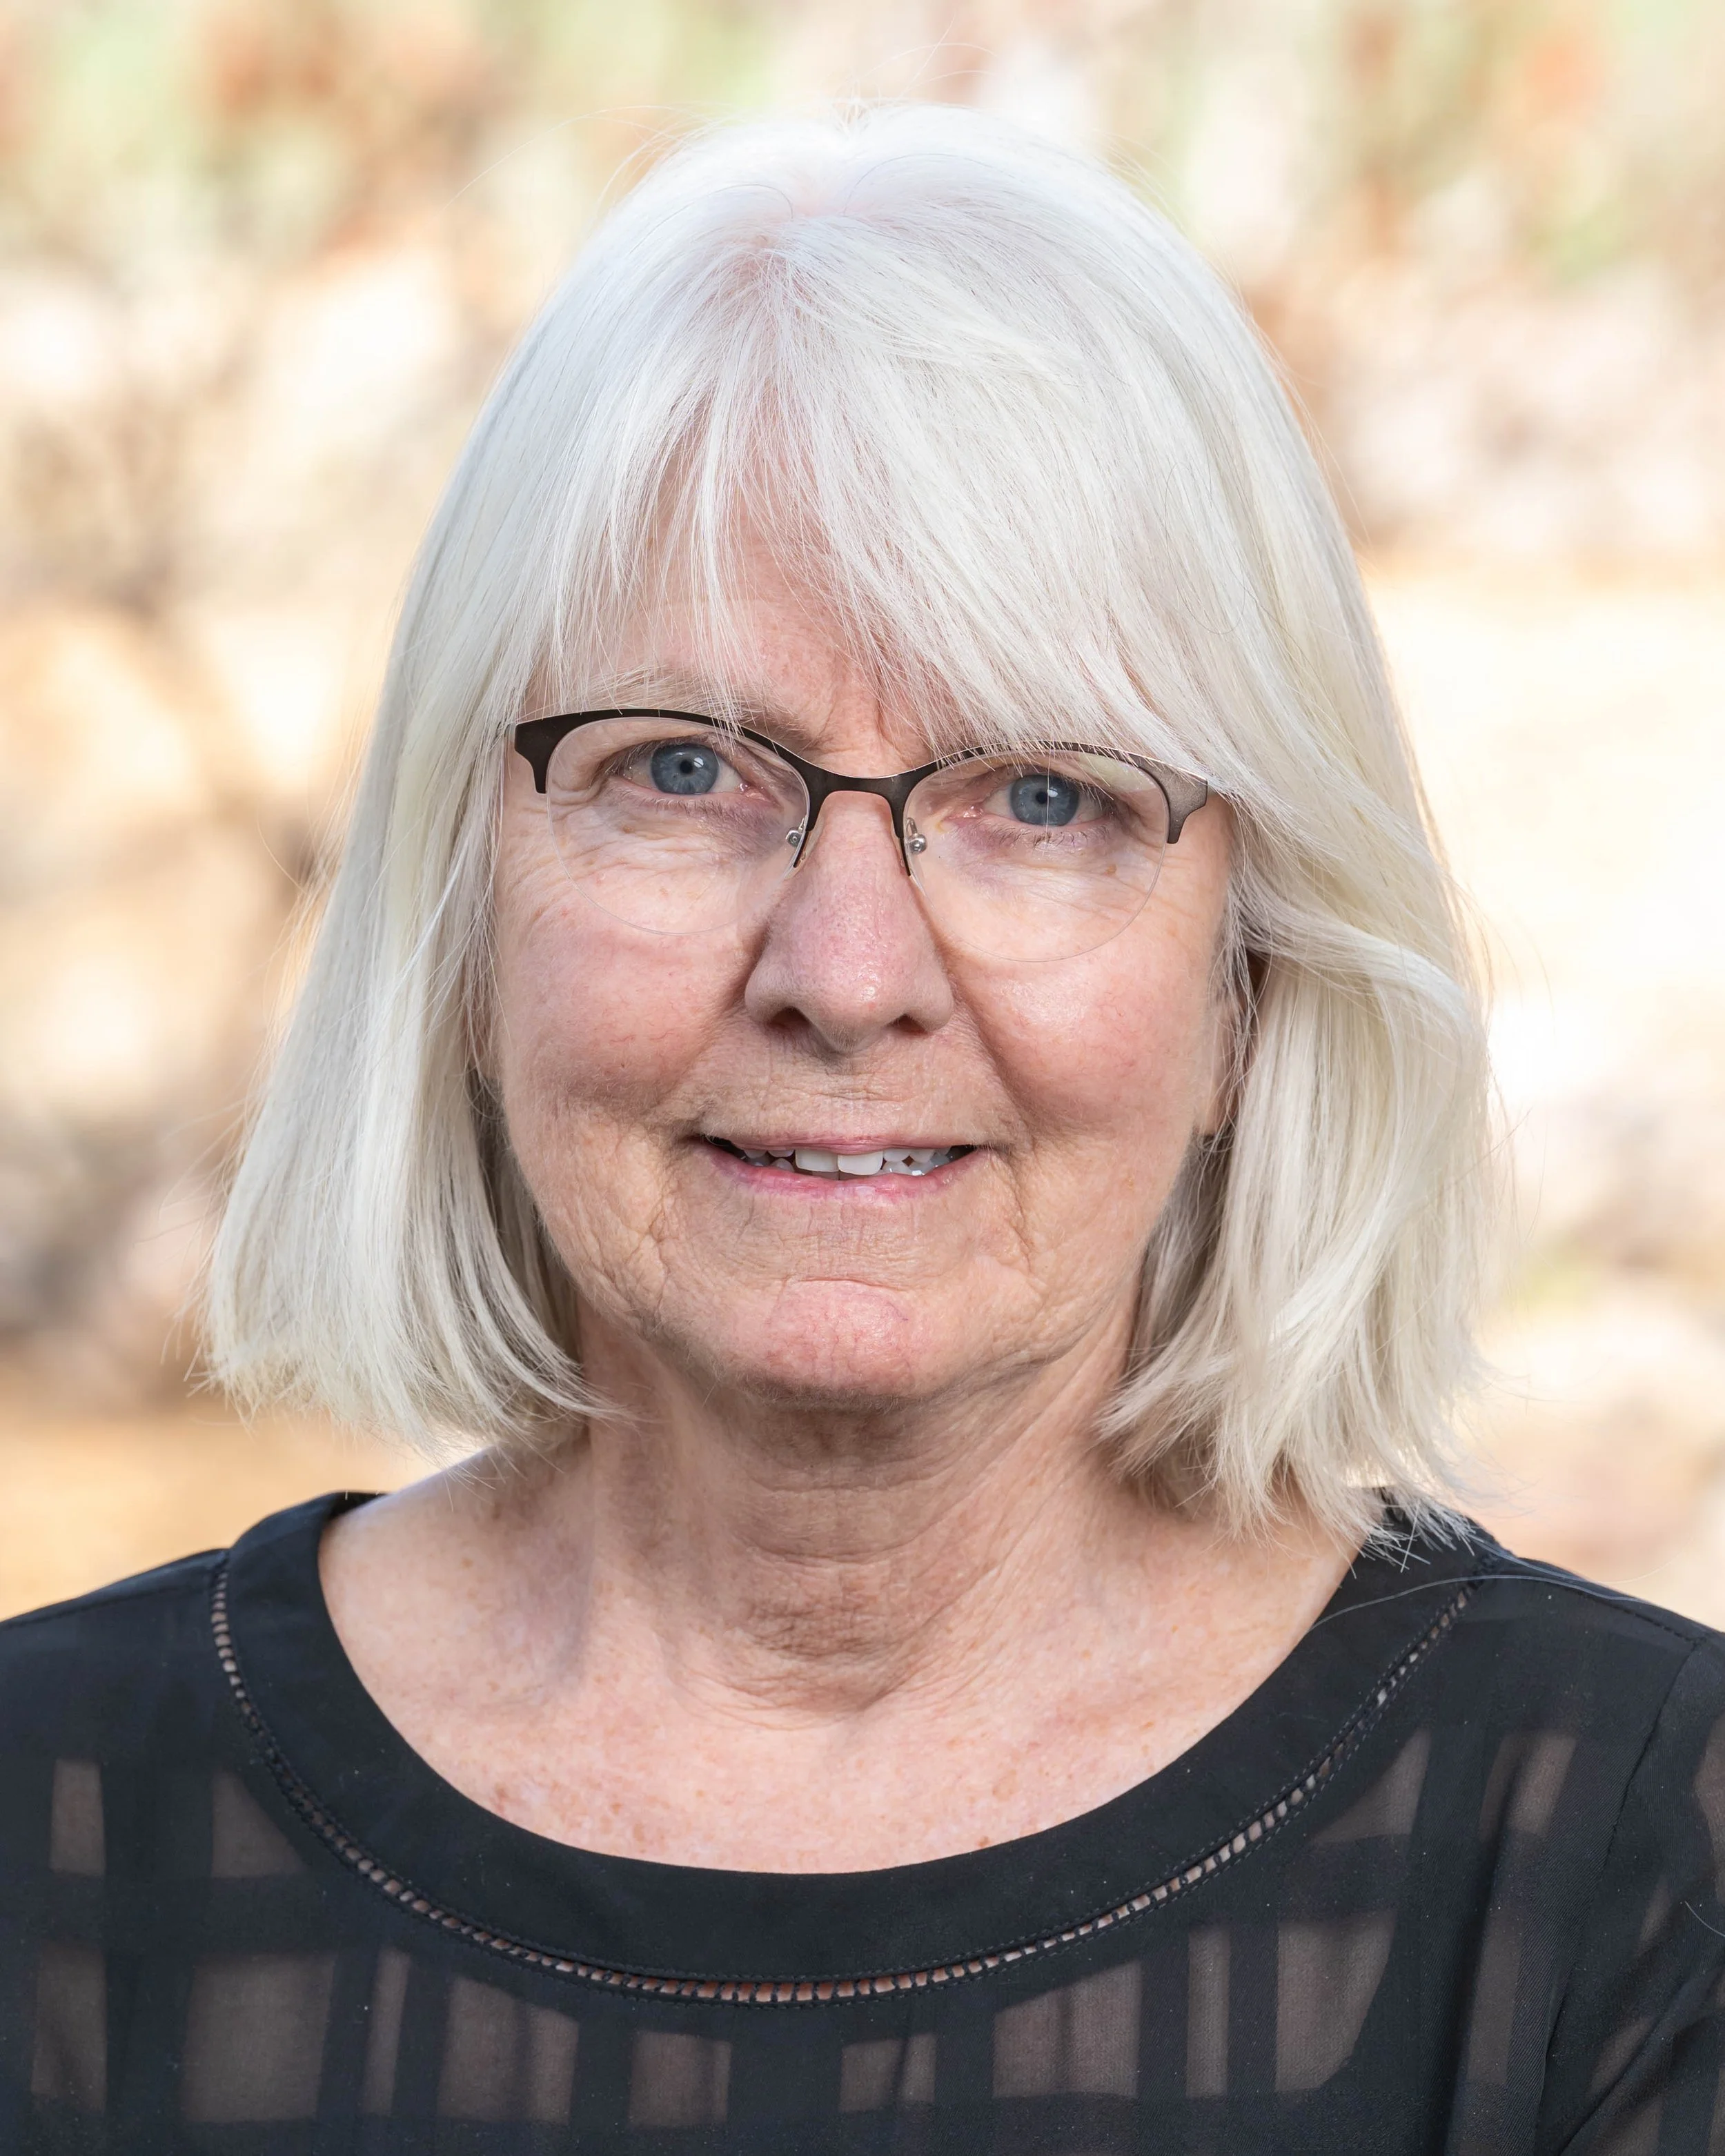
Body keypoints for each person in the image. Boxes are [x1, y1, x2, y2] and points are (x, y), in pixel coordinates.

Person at [2, 104, 1720, 2154]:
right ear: (466, 913)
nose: (844, 965)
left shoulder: (1630, 1859)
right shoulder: (52, 1826)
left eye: (1042, 798)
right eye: (678, 765)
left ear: (1252, 969)